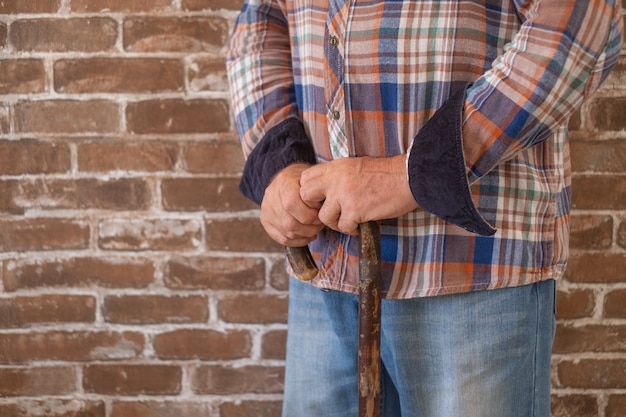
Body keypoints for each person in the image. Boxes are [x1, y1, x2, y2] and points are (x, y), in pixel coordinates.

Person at [227, 0, 623, 415]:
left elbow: (579, 23)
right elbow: (260, 21)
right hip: (325, 263)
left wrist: (415, 172)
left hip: (470, 268)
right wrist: (279, 162)